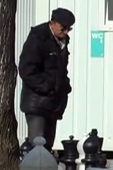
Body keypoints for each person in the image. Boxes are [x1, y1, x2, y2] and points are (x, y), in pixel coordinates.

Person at [17, 8, 74, 150]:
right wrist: (46, 86)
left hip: (53, 103)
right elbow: (26, 69)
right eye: (63, 28)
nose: (66, 32)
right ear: (52, 23)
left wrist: (64, 85)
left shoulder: (62, 41)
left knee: (47, 147)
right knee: (38, 146)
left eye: (69, 29)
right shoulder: (38, 38)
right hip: (37, 102)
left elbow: (59, 69)